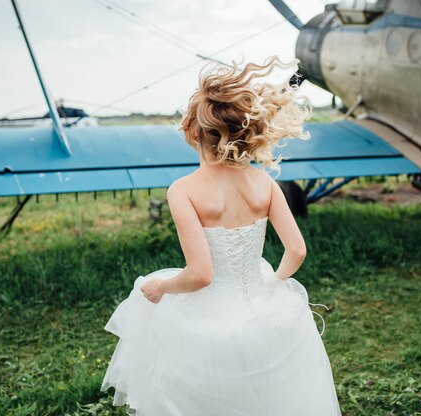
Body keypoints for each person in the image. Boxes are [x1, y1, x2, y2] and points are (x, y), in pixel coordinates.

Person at [101, 56, 341, 415]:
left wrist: (160, 288)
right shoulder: (265, 183)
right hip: (261, 305)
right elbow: (296, 250)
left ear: (194, 132)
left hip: (210, 319)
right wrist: (272, 284)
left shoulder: (183, 191)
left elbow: (200, 275)